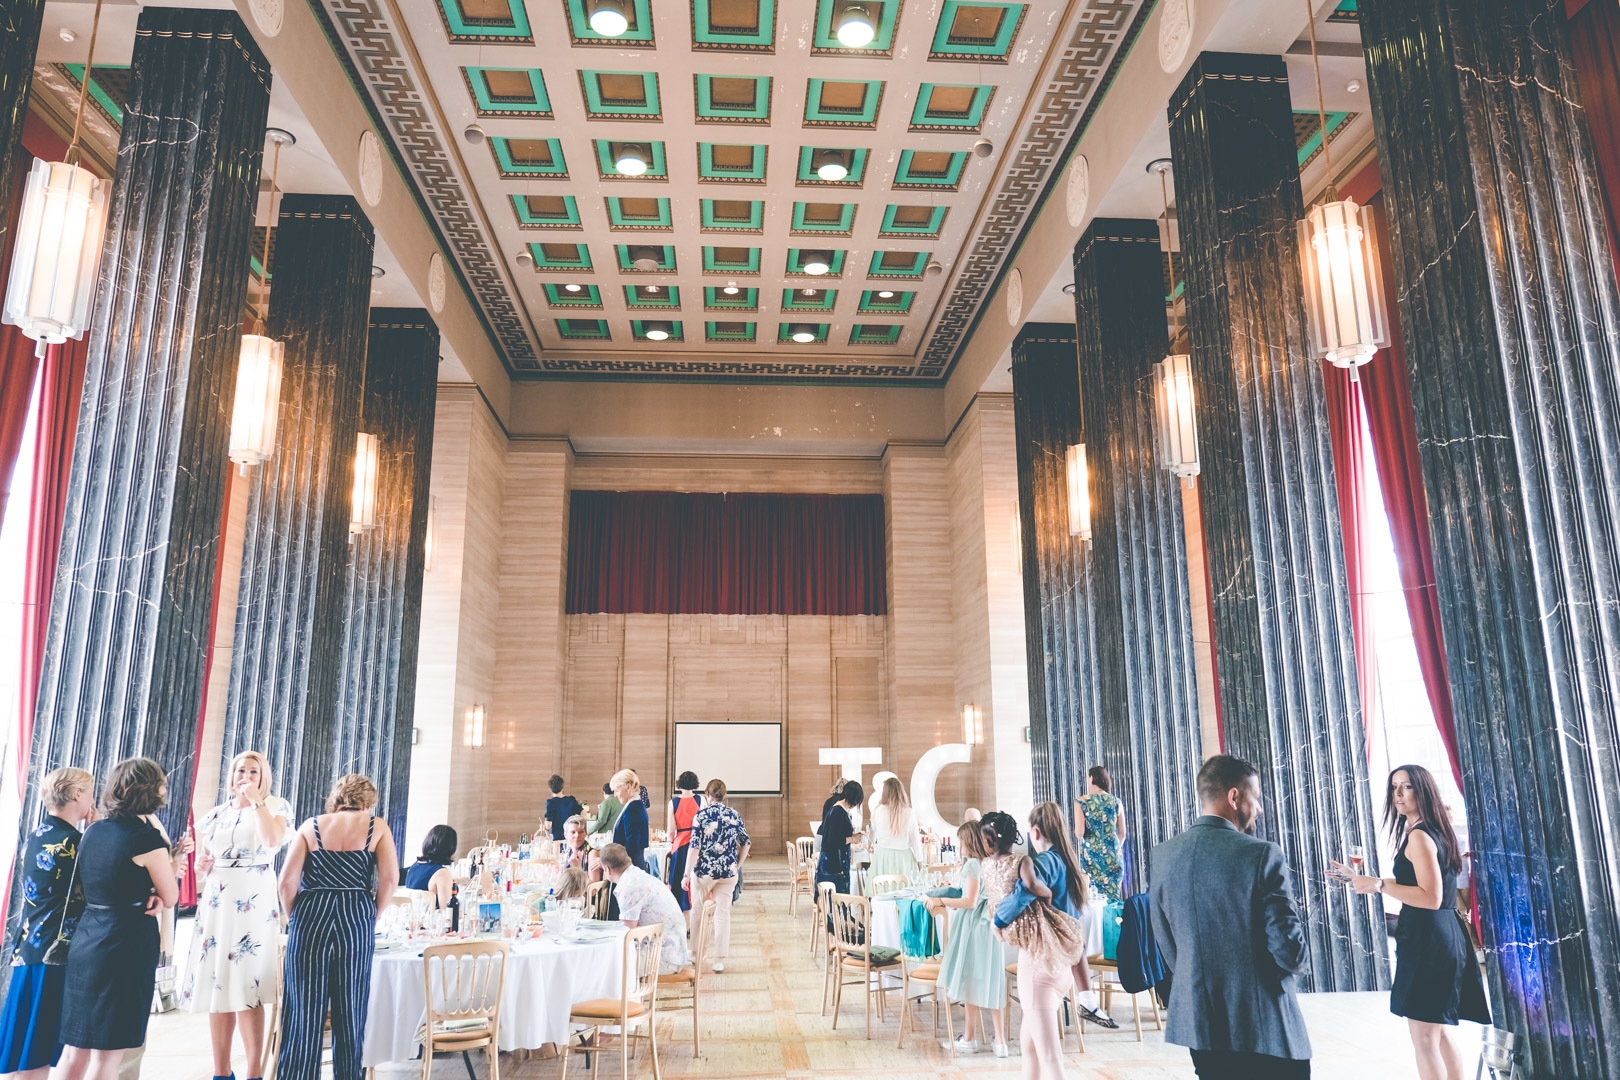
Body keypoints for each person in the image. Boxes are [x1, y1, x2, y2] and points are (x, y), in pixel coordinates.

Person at [1150, 755, 1309, 1080]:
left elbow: (1166, 942)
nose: (1260, 808)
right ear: (1234, 797)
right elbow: (1289, 952)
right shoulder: (1261, 854)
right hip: (1263, 1025)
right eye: (1257, 796)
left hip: (1201, 1023)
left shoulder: (1164, 855)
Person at [1334, 765, 1482, 1080]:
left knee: (1424, 1037)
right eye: (1394, 787)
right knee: (1437, 1033)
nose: (1397, 794)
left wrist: (1377, 885)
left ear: (1422, 791)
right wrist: (1364, 880)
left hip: (1430, 942)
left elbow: (1430, 896)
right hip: (1441, 936)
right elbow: (1425, 886)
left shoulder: (1419, 836)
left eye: (1406, 787)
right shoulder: (1432, 829)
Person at [56, 758, 185, 1080]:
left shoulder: (94, 830)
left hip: (87, 941)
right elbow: (170, 897)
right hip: (124, 946)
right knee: (108, 1058)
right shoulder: (146, 839)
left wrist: (145, 889)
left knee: (74, 1053)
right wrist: (156, 889)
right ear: (150, 790)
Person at [275, 774, 399, 1080]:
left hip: (310, 911)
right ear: (369, 801)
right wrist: (374, 914)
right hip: (355, 911)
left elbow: (286, 882)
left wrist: (297, 919)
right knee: (350, 1007)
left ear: (337, 797)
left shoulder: (311, 826)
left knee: (304, 1007)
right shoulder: (376, 827)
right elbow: (389, 879)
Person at [180, 751, 294, 1080]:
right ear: (231, 776)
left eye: (253, 771)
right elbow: (205, 861)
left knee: (249, 986)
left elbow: (272, 840)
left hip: (253, 899)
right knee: (219, 986)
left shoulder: (275, 806)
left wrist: (256, 802)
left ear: (263, 778)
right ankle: (221, 1072)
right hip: (218, 901)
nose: (245, 775)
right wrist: (203, 867)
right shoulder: (217, 814)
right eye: (240, 770)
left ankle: (254, 1072)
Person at [0, 768, 95, 1080]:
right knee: (39, 1052)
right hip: (56, 954)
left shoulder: (35, 837)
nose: (92, 800)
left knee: (23, 1050)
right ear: (76, 795)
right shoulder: (76, 842)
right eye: (90, 792)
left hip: (28, 948)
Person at [980, 810, 1087, 1080]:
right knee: (1029, 1046)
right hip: (1059, 966)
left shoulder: (1035, 862)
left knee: (1049, 1057)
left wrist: (998, 921)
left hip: (1038, 965)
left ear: (1035, 833)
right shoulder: (1065, 861)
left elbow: (1022, 893)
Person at [1023, 801, 1114, 1029]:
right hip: (1070, 946)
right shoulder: (1066, 858)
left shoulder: (1045, 861)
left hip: (1051, 948)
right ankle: (1088, 1000)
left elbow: (1027, 889)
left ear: (1035, 832)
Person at [928, 819, 1007, 1057]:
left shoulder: (972, 865)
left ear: (968, 842)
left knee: (971, 979)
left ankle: (971, 1037)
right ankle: (1000, 1041)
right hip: (991, 923)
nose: (959, 845)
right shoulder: (991, 863)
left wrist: (941, 900)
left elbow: (969, 902)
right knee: (992, 979)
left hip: (974, 925)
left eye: (961, 840)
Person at [684, 778, 750, 973]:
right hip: (728, 872)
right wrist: (737, 865)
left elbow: (694, 847)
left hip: (705, 871)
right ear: (724, 795)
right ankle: (719, 960)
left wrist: (686, 874)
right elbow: (746, 842)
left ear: (707, 794)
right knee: (723, 914)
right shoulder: (734, 814)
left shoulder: (701, 815)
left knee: (697, 911)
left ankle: (696, 953)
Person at [597, 844, 692, 974]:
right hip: (674, 950)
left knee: (604, 966)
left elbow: (628, 933)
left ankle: (629, 994)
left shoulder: (628, 887)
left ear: (607, 870)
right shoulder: (637, 875)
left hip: (663, 958)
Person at [865, 776, 924, 893]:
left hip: (882, 857)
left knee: (881, 894)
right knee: (905, 895)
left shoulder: (878, 810)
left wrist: (870, 844)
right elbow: (915, 839)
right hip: (904, 858)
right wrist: (920, 862)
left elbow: (873, 831)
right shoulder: (909, 812)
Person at [1078, 765, 1125, 905]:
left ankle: (1095, 927)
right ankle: (1114, 926)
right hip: (1113, 857)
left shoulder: (1082, 801)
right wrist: (1112, 849)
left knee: (1092, 901)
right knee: (1113, 902)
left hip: (1091, 858)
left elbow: (1079, 832)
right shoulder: (1116, 801)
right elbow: (1122, 834)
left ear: (1091, 778)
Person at [814, 781, 864, 895]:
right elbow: (834, 840)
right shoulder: (838, 811)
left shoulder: (837, 809)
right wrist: (853, 839)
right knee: (837, 898)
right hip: (834, 864)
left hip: (833, 861)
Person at [666, 771, 702, 911]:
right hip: (696, 841)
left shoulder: (673, 802)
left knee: (677, 877)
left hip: (679, 842)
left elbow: (671, 829)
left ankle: (679, 910)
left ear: (679, 783)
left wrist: (671, 840)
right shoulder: (701, 800)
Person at [403, 825, 457, 908]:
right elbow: (447, 911)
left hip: (411, 918)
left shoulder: (414, 866)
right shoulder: (442, 873)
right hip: (431, 919)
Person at [609, 769, 650, 872]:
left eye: (617, 790)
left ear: (628, 787)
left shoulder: (633, 809)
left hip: (630, 867)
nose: (615, 795)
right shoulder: (636, 805)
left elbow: (631, 845)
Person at [542, 775, 583, 843]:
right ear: (562, 787)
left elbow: (548, 826)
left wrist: (544, 825)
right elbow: (584, 814)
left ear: (550, 789)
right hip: (571, 836)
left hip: (557, 839)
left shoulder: (551, 802)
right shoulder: (571, 800)